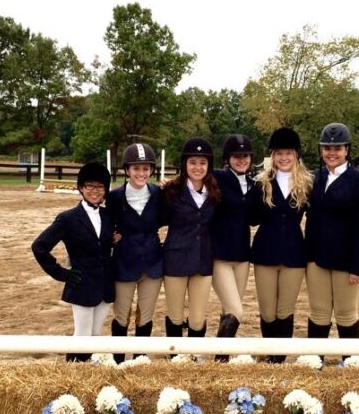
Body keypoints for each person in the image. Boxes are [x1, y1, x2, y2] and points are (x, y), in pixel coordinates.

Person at [32, 162, 115, 361]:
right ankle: (72, 371)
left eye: (100, 187)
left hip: (105, 285)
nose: (95, 191)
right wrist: (62, 273)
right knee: (82, 335)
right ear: (81, 188)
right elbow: (39, 246)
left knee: (96, 335)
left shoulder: (108, 216)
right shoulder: (68, 218)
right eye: (90, 186)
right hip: (81, 284)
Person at [304, 122, 359, 348]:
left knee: (345, 313)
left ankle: (350, 362)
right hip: (316, 257)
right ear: (321, 150)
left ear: (347, 150)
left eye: (337, 148)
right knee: (318, 312)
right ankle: (314, 360)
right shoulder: (312, 178)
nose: (331, 153)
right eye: (327, 148)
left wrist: (358, 265)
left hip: (346, 261)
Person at [250, 128, 313, 363]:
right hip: (265, 253)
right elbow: (251, 215)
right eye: (279, 153)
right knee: (267, 310)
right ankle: (269, 355)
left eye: (288, 153)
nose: (284, 158)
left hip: (294, 255)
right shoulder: (261, 183)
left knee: (285, 310)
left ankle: (279, 360)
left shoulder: (308, 184)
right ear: (272, 156)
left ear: (296, 155)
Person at [106, 143, 164, 362]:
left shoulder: (158, 193)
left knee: (146, 315)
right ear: (127, 170)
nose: (141, 173)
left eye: (146, 168)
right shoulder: (114, 197)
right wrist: (111, 238)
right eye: (136, 168)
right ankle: (118, 360)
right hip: (124, 262)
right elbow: (106, 224)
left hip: (152, 263)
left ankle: (140, 359)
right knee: (122, 315)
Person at [161, 137, 221, 341]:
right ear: (184, 164)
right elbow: (153, 219)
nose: (198, 167)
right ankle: (175, 356)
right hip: (176, 261)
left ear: (208, 166)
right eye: (193, 162)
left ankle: (194, 356)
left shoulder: (214, 193)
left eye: (202, 163)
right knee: (175, 316)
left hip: (202, 262)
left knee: (197, 318)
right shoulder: (170, 191)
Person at [210, 134, 260, 361]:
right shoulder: (217, 178)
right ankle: (217, 355)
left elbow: (254, 218)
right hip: (219, 255)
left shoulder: (254, 184)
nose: (241, 160)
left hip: (242, 255)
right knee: (236, 311)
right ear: (228, 158)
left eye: (245, 156)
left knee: (228, 309)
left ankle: (222, 359)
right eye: (236, 156)